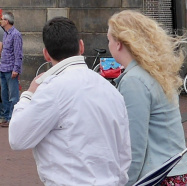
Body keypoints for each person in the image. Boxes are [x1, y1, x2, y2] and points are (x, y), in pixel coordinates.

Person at [8, 17, 131, 186]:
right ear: (81, 46)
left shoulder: (52, 89)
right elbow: (124, 152)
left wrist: (28, 94)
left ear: (46, 54)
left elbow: (17, 138)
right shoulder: (111, 89)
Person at [107, 10, 187, 186]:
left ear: (119, 44)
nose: (108, 44)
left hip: (155, 177)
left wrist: (126, 183)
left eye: (109, 39)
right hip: (174, 172)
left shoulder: (134, 80)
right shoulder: (155, 73)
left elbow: (134, 146)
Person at [0, 12, 22, 128]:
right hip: (3, 68)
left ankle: (12, 118)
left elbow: (18, 53)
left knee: (13, 95)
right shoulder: (6, 34)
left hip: (11, 69)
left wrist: (16, 69)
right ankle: (6, 117)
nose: (0, 21)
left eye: (2, 19)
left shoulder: (16, 34)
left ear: (7, 21)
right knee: (4, 94)